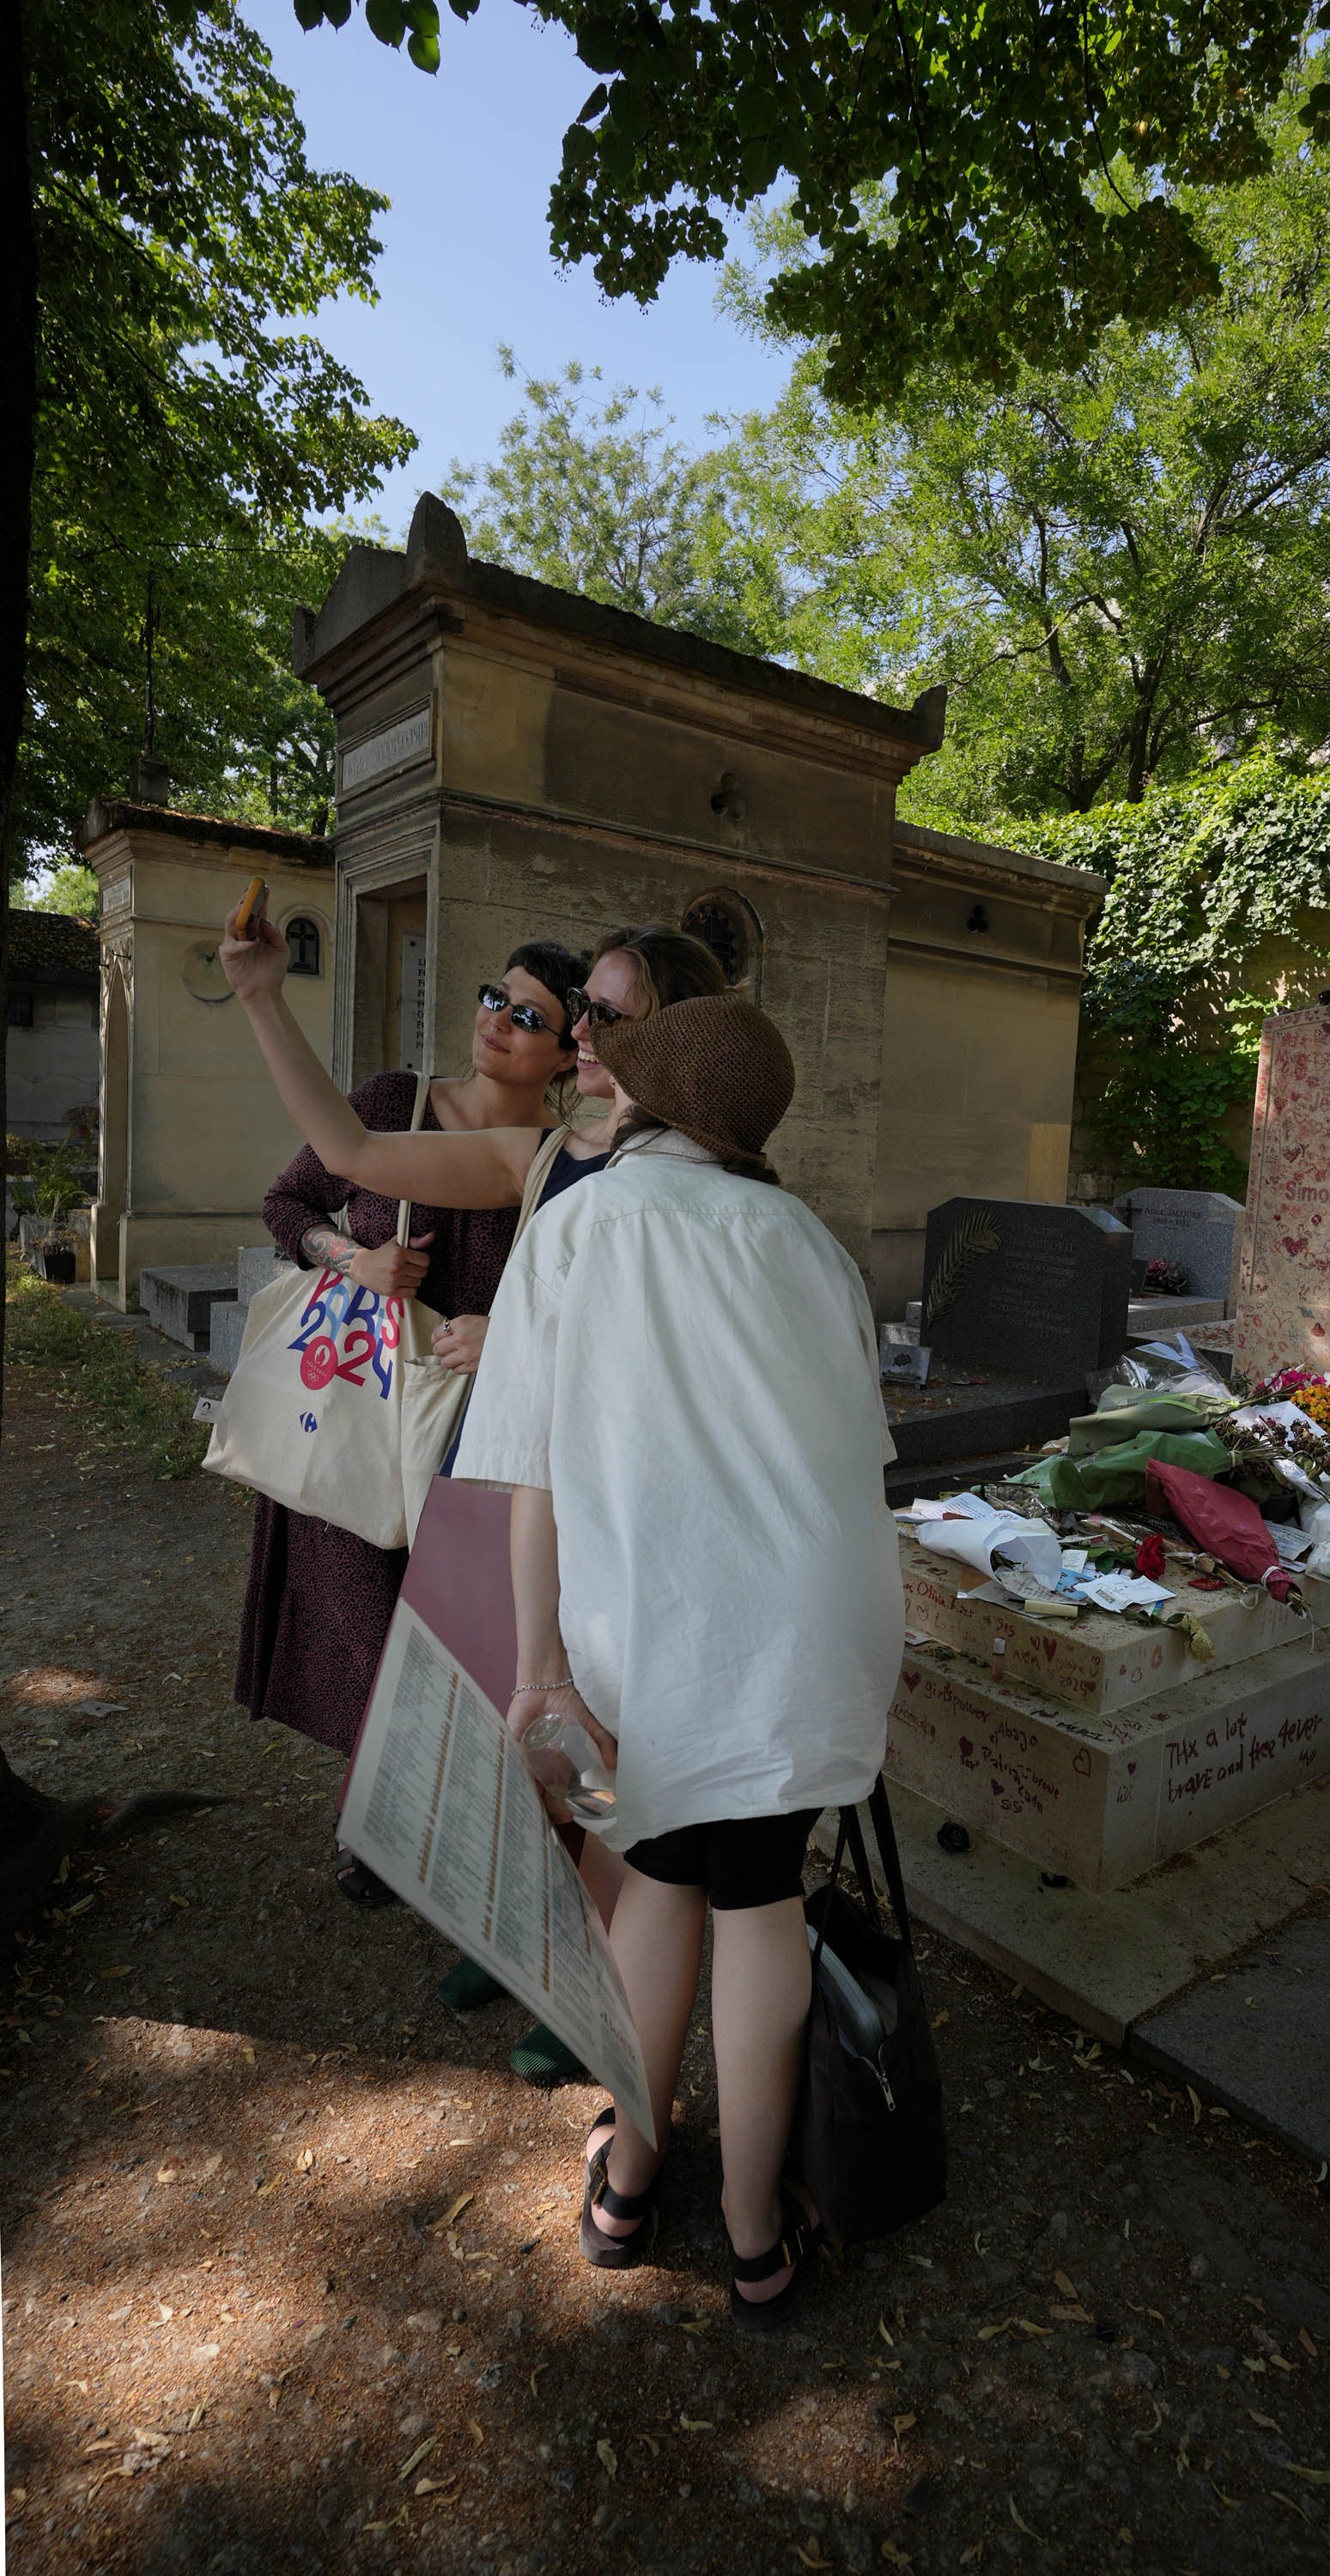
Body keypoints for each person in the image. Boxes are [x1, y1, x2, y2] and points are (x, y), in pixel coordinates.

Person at [452, 993, 903, 2329]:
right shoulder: (810, 1241)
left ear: (652, 1105)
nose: (594, 1073)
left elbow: (528, 1472)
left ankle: (631, 2182)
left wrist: (540, 1670)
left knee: (653, 1885)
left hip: (653, 1623)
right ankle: (758, 2236)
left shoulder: (584, 1223)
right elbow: (860, 1456)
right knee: (757, 1892)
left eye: (617, 1068)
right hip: (810, 1619)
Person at [220, 903, 731, 2075]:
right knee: (509, 1713)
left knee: (604, 1731)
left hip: (609, 1488)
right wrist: (260, 998)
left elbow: (676, 1356)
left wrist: (523, 1341)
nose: (578, 1029)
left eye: (605, 1012)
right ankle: (516, 1938)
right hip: (500, 1482)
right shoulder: (547, 1155)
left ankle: (591, 1983)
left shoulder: (706, 1180)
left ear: (671, 1036)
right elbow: (346, 1157)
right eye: (580, 1009)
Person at [233, 936, 590, 1905]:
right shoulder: (394, 1102)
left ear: (568, 1053)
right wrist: (346, 1258)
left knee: (453, 1639)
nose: (495, 1023)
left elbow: (575, 1304)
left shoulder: (557, 1165)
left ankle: (455, 1831)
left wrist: (505, 1330)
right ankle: (378, 1823)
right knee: (360, 1632)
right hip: (354, 1411)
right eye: (492, 998)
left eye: (527, 1016)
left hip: (471, 1438)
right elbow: (289, 1200)